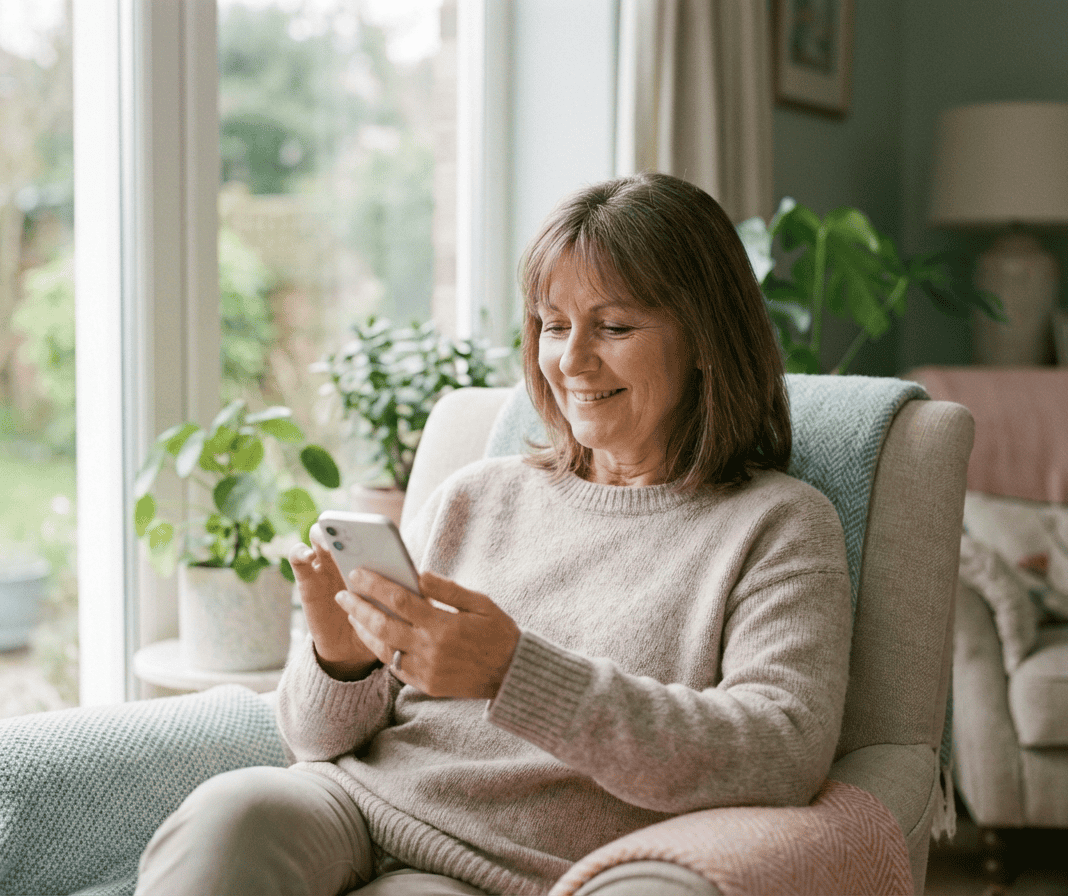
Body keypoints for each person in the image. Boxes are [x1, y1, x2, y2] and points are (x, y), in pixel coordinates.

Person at [134, 172, 852, 896]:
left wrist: (514, 674)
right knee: (229, 815)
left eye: (614, 327)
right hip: (354, 806)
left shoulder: (778, 526)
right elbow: (312, 741)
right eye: (554, 325)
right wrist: (343, 663)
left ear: (706, 337)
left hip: (503, 866)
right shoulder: (474, 495)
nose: (571, 360)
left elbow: (781, 748)